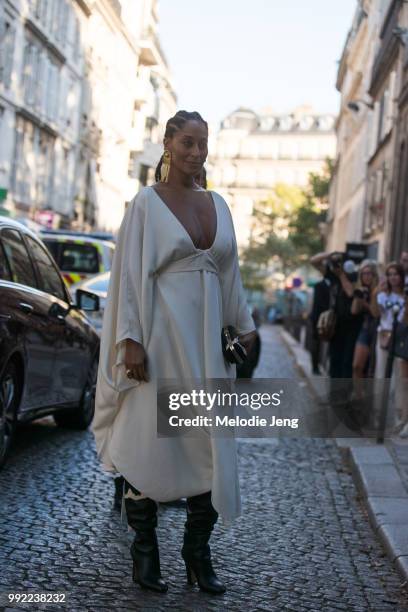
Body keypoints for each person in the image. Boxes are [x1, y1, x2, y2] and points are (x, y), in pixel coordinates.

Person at [92, 110, 256, 594]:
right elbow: (129, 275)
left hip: (209, 348)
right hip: (160, 340)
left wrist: (244, 329)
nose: (196, 151)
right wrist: (131, 340)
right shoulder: (146, 202)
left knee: (210, 446)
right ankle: (145, 554)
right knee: (151, 442)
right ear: (167, 143)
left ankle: (196, 554)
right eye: (187, 141)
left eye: (203, 143)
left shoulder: (219, 204)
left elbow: (231, 275)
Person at [351, 260, 379, 379]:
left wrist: (367, 301)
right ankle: (358, 394)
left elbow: (375, 313)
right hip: (365, 329)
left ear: (374, 275)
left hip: (378, 330)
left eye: (369, 273)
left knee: (373, 369)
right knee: (357, 365)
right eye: (363, 273)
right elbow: (353, 311)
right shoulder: (361, 289)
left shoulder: (378, 290)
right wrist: (358, 297)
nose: (366, 276)